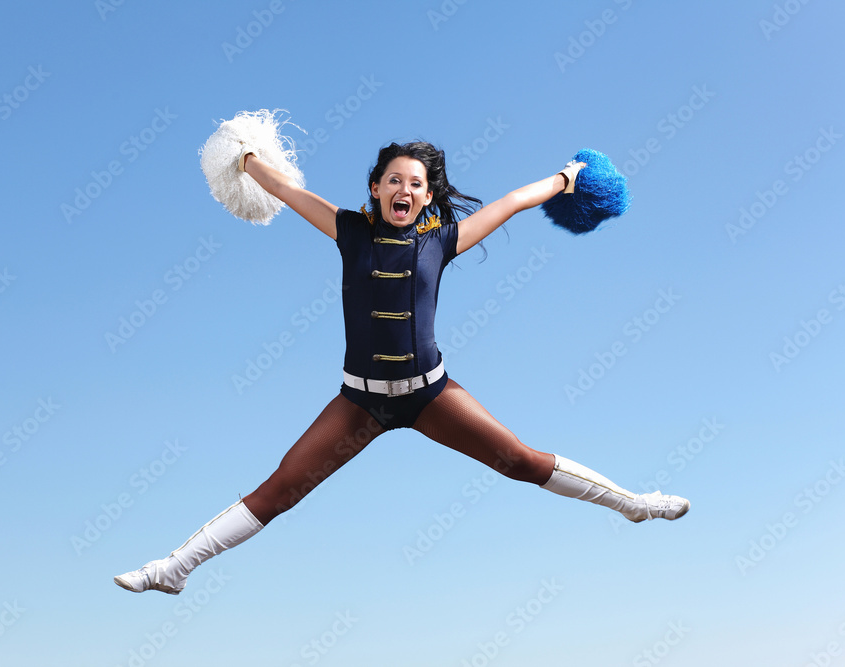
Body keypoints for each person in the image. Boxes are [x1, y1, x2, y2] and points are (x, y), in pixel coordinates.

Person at [114, 141, 689, 595]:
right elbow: (288, 190)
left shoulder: (441, 241)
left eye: (416, 183)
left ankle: (632, 504)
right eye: (395, 179)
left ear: (426, 199)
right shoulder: (351, 231)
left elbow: (512, 200)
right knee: (283, 488)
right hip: (359, 403)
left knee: (518, 458)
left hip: (429, 396)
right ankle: (173, 569)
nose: (404, 189)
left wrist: (566, 179)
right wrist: (244, 157)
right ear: (375, 188)